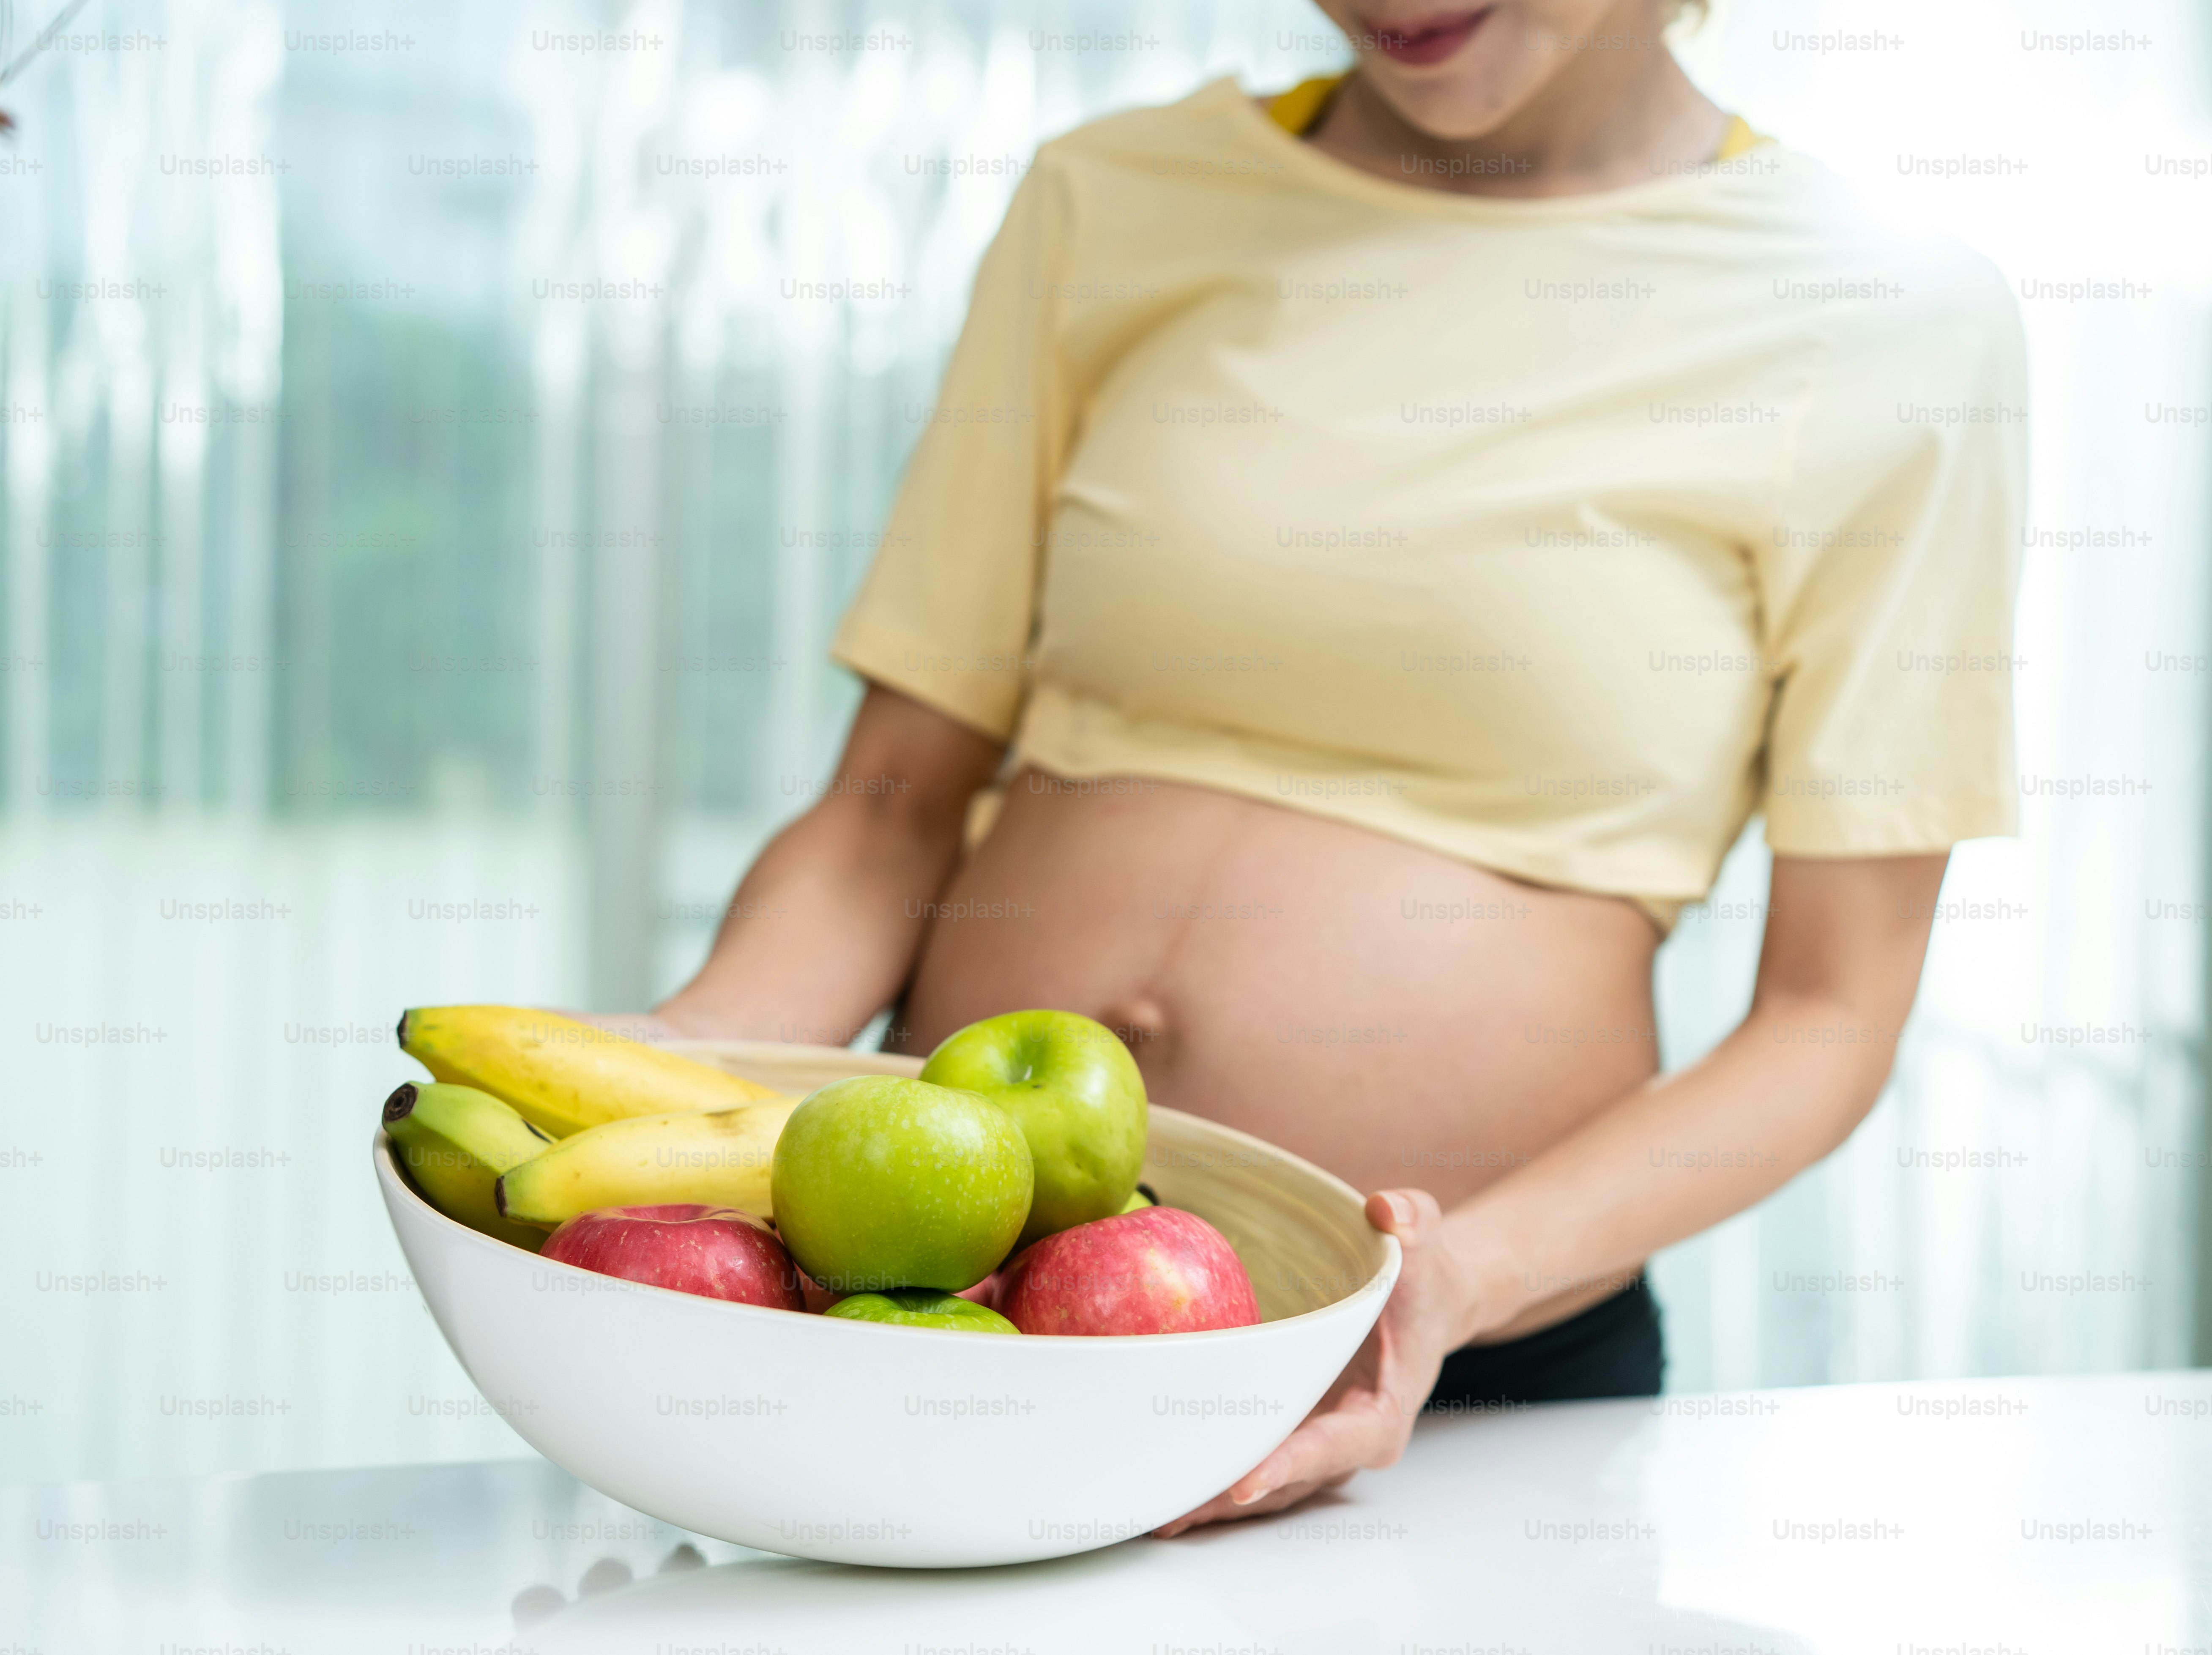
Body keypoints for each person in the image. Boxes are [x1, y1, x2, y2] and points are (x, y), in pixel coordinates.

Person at [608, 0, 2024, 1535]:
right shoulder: (1113, 197)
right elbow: (888, 806)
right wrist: (675, 1073)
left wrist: (1448, 1280)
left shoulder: (1884, 319)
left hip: (1459, 1394)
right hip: (951, 1314)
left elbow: (1831, 1012)